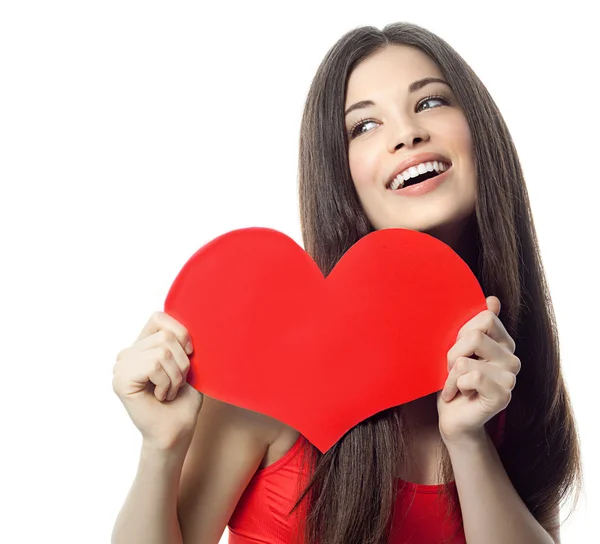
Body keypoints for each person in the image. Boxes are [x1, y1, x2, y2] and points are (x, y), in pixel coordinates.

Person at [111, 21, 583, 544]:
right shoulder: (269, 358)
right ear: (340, 174)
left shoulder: (509, 371)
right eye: (363, 126)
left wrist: (469, 442)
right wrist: (160, 448)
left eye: (429, 103)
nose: (407, 133)